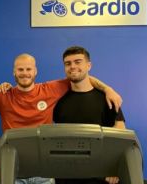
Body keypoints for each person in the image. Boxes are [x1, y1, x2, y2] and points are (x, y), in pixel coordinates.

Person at [0, 53, 122, 184]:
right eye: (20, 69)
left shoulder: (51, 89)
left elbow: (82, 78)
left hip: (44, 170)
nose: (25, 73)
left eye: (28, 69)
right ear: (14, 72)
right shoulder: (1, 94)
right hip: (11, 168)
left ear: (35, 71)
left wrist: (108, 89)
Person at [53, 46, 126, 184]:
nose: (72, 66)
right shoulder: (57, 99)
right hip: (66, 174)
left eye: (78, 61)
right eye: (68, 63)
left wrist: (114, 167)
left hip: (101, 174)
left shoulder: (108, 99)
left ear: (89, 65)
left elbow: (120, 135)